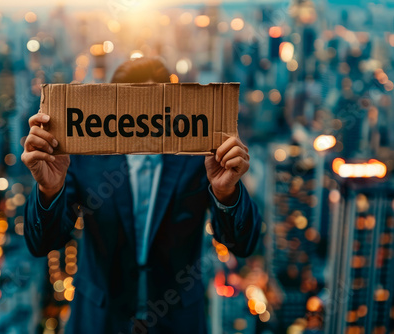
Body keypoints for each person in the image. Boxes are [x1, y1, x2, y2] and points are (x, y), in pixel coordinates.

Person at [22, 57, 261, 334]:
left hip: (178, 321)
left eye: (157, 107)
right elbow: (42, 244)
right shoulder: (83, 156)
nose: (146, 119)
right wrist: (48, 190)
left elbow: (243, 244)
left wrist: (227, 192)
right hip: (99, 320)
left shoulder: (201, 155)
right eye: (135, 107)